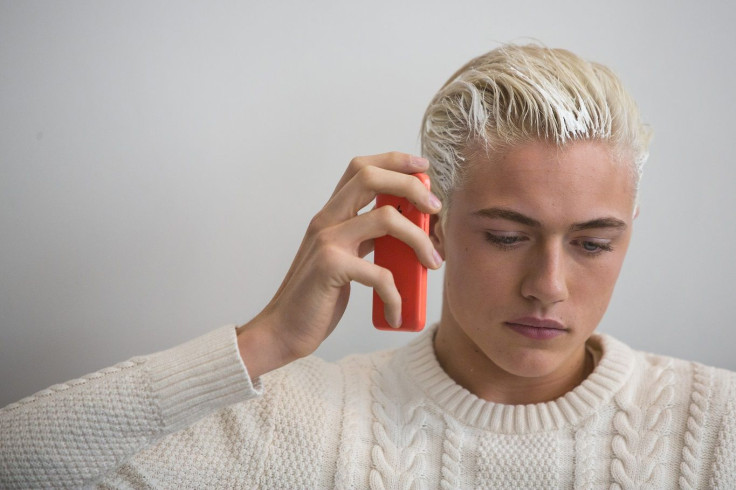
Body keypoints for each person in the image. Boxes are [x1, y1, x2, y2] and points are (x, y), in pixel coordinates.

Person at [1, 44, 735, 489]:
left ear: (629, 234)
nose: (548, 284)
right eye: (507, 236)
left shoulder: (717, 427)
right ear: (430, 226)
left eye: (592, 243)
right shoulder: (299, 424)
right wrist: (264, 343)